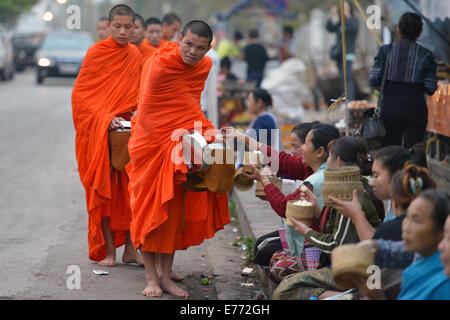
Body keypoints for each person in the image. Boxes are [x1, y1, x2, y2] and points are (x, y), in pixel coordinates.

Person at [127, 20, 230, 298]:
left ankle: (166, 276)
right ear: (178, 39)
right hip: (151, 142)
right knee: (150, 209)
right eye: (188, 44)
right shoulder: (160, 64)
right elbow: (150, 109)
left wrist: (203, 132)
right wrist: (181, 136)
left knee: (173, 209)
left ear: (208, 48)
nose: (193, 52)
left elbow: (190, 103)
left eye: (200, 48)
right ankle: (151, 277)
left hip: (181, 133)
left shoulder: (205, 66)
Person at [71, 4, 142, 267]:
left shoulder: (134, 55)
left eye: (128, 27)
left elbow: (138, 95)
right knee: (104, 192)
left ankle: (131, 250)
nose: (123, 32)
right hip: (101, 135)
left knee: (132, 194)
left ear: (134, 27)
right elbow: (81, 97)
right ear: (109, 26)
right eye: (118, 27)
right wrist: (104, 117)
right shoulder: (96, 52)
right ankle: (110, 250)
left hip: (127, 134)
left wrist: (134, 117)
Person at [358, 190, 450, 300]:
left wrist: (377, 297)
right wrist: (371, 246)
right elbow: (387, 250)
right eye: (406, 217)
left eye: (416, 220)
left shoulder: (441, 286)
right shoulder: (422, 253)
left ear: (439, 232)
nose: (405, 227)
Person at [370, 12, 438, 148]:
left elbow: (374, 81)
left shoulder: (385, 51)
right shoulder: (426, 55)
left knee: (391, 152)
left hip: (390, 109)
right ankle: (412, 169)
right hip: (416, 109)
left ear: (398, 30)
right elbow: (430, 88)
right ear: (420, 32)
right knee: (413, 151)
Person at [326, 1, 359, 101]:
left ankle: (350, 100)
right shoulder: (340, 23)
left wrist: (347, 15)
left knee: (348, 78)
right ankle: (345, 99)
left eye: (345, 6)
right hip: (339, 54)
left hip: (348, 53)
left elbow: (354, 29)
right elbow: (329, 28)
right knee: (343, 78)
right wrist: (331, 15)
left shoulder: (353, 20)